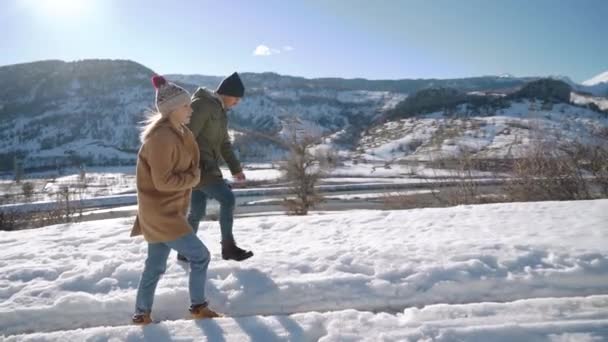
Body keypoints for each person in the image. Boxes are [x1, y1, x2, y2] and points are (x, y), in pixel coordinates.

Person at [130, 75, 220, 325]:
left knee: (155, 267)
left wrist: (197, 172)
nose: (191, 109)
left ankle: (141, 314)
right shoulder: (161, 139)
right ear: (172, 109)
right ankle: (198, 307)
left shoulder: (179, 133)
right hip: (163, 215)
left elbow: (188, 164)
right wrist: (193, 178)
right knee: (200, 256)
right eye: (186, 105)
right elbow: (163, 182)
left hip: (164, 213)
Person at [179, 72, 253, 262]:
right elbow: (186, 137)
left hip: (206, 168)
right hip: (200, 168)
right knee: (227, 199)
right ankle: (228, 247)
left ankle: (185, 250)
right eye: (236, 98)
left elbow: (224, 144)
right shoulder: (202, 105)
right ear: (227, 93)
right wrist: (190, 167)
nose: (237, 102)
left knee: (196, 212)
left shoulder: (220, 112)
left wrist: (236, 169)